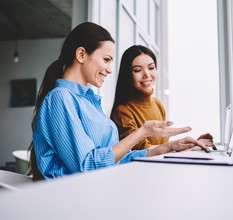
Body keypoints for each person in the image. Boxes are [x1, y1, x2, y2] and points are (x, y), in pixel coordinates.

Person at [28, 22, 208, 181]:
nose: (109, 69)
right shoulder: (60, 98)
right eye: (106, 60)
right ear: (81, 55)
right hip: (75, 200)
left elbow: (117, 159)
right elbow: (86, 166)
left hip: (99, 191)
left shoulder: (89, 102)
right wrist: (141, 132)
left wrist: (169, 147)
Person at [110, 45, 215, 150]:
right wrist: (188, 147)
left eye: (151, 67)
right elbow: (143, 151)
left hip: (161, 166)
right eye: (137, 70)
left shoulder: (158, 104)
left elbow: (163, 149)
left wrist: (193, 144)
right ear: (127, 75)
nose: (147, 74)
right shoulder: (122, 111)